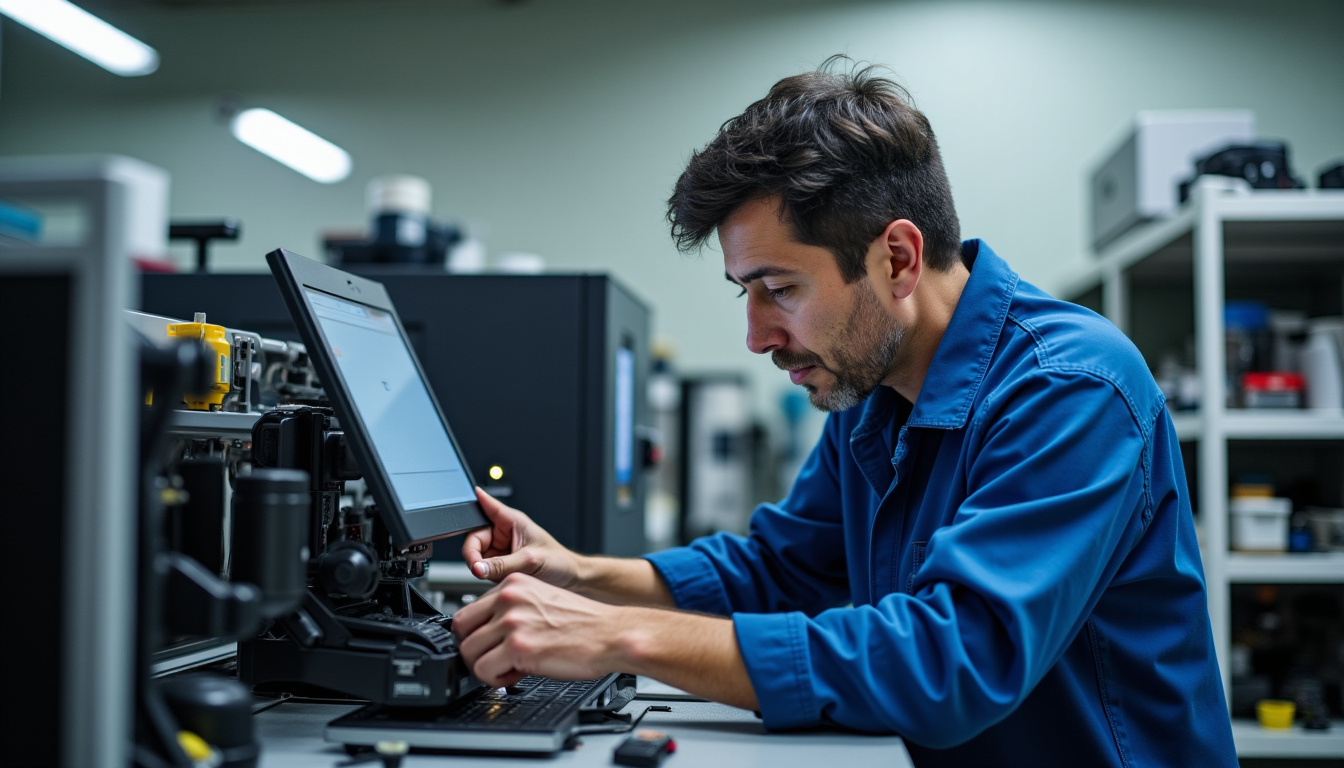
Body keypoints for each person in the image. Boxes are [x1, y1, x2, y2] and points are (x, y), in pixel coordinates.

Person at [450, 59, 1237, 766]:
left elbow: (951, 661)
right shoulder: (875, 392)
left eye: (780, 289)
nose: (757, 336)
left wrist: (619, 637)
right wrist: (579, 576)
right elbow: (783, 570)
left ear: (896, 258)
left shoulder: (1070, 388)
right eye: (746, 293)